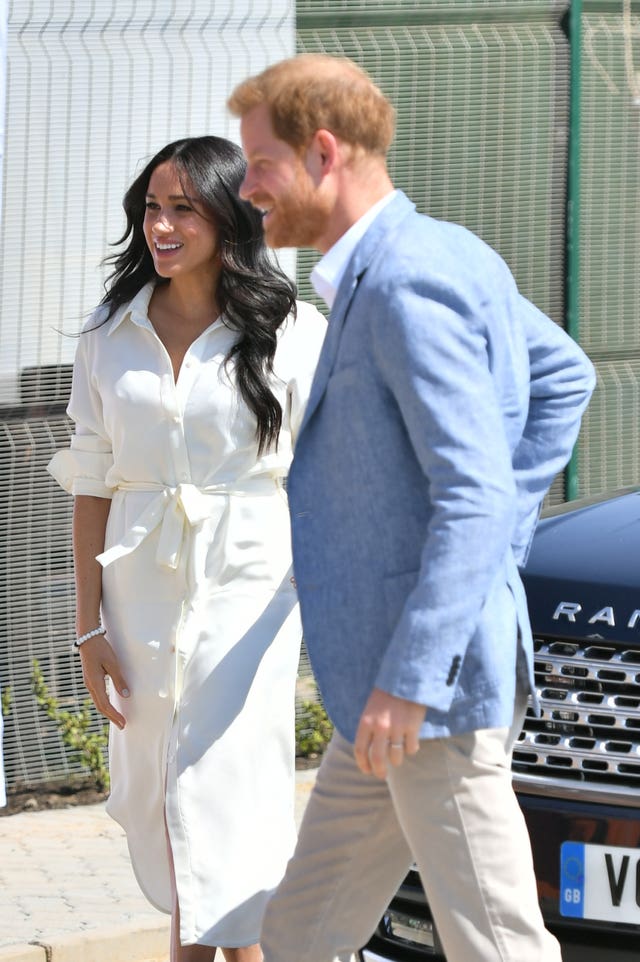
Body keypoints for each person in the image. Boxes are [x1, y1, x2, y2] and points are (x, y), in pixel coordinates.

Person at [228, 55, 596, 962]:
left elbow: (469, 489)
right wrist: (492, 553)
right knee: (300, 935)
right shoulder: (441, 251)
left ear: (322, 154)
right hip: (386, 698)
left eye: (261, 163)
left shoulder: (406, 283)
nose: (246, 187)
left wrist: (418, 667)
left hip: (427, 700)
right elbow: (564, 376)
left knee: (497, 945)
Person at [47, 135, 326, 962]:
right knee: (161, 795)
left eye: (183, 208)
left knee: (221, 794)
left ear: (229, 218)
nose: (160, 225)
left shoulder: (291, 331)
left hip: (250, 589)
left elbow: (324, 473)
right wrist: (88, 628)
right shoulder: (108, 332)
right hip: (138, 593)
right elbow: (93, 481)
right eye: (151, 207)